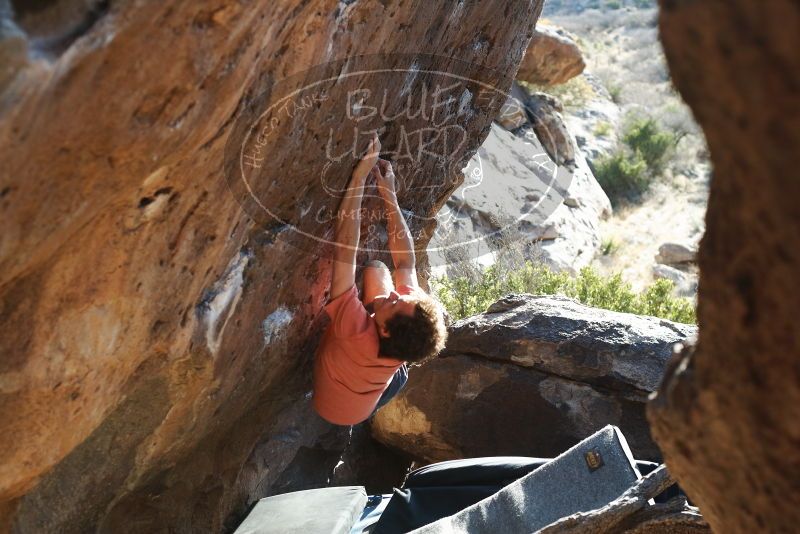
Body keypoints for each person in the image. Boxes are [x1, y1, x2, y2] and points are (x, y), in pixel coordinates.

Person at [313, 134, 447, 426]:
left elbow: (345, 247)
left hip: (331, 409)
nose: (399, 294)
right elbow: (405, 261)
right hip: (371, 393)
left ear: (383, 330)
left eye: (397, 303)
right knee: (378, 270)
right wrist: (389, 194)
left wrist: (360, 176)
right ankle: (381, 391)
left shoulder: (356, 332)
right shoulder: (404, 338)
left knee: (373, 271)